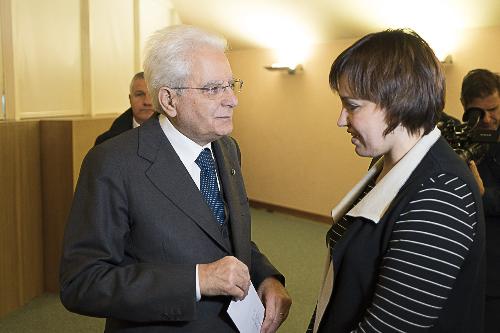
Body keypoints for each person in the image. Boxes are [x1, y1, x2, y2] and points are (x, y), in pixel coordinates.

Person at [60, 25, 291, 332]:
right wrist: (197, 281)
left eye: (231, 84)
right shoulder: (112, 163)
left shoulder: (227, 148)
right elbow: (83, 282)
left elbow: (225, 234)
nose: (232, 100)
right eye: (212, 89)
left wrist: (267, 277)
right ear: (169, 100)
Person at [308, 29, 485, 333]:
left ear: (398, 101)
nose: (341, 119)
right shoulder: (389, 165)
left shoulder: (440, 193)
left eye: (352, 105)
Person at [460, 68, 500, 333]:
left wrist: (484, 195)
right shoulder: (460, 138)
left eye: (494, 109)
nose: (486, 120)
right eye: (478, 112)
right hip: (470, 259)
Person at [94, 71, 154, 145]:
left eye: (152, 94)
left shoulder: (172, 136)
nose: (147, 102)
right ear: (130, 99)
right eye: (139, 94)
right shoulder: (106, 142)